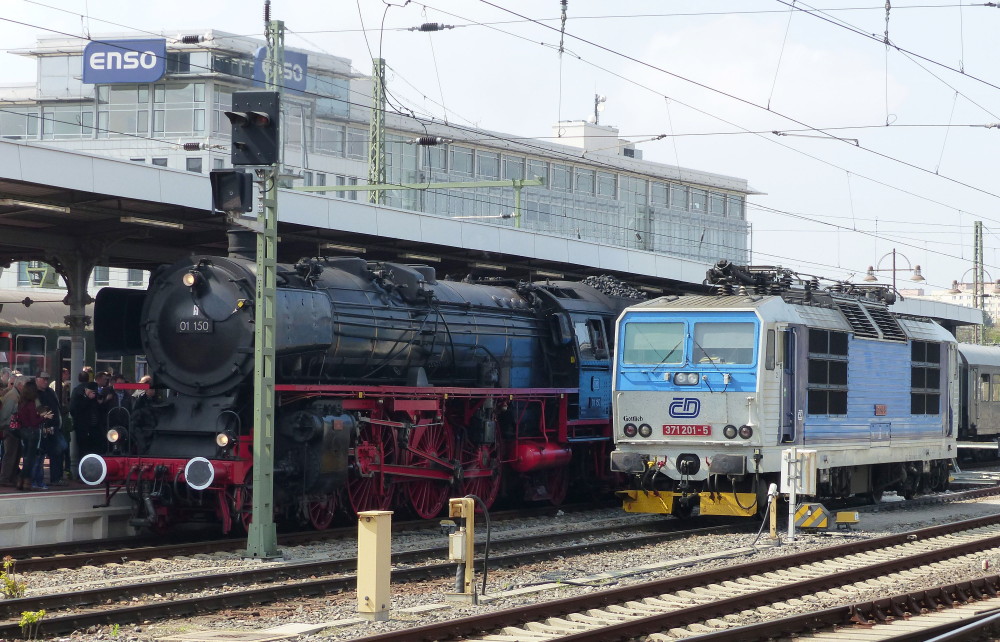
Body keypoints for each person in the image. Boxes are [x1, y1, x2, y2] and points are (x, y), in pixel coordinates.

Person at [12, 380, 53, 491]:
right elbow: (34, 422)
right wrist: (44, 417)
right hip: (32, 433)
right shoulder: (31, 404)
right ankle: (24, 480)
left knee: (26, 457)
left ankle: (22, 481)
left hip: (23, 432)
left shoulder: (21, 403)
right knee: (31, 459)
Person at [35, 372, 67, 486]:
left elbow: (57, 407)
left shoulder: (50, 392)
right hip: (43, 427)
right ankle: (38, 480)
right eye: (43, 379)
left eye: (47, 379)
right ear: (37, 379)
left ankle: (56, 477)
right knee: (40, 455)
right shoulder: (35, 393)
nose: (45, 381)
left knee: (58, 452)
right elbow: (38, 410)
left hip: (55, 426)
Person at [0, 375, 26, 485]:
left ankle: (10, 477)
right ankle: (5, 478)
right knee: (10, 453)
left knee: (15, 453)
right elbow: (4, 415)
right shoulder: (12, 397)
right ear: (20, 385)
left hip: (12, 428)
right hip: (9, 429)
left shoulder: (15, 395)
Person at [70, 382, 101, 459]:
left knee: (94, 449)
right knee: (83, 450)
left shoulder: (95, 399)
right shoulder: (79, 396)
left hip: (94, 428)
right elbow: (75, 410)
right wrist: (88, 399)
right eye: (92, 392)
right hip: (83, 428)